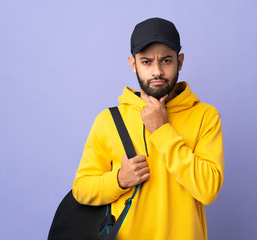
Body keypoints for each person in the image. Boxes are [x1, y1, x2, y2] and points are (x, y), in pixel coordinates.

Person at [73, 17, 224, 240]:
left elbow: (208, 189)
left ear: (180, 62)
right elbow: (81, 189)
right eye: (146, 62)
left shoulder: (205, 116)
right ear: (133, 64)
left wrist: (162, 130)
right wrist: (119, 180)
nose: (156, 71)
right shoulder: (108, 120)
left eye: (166, 61)